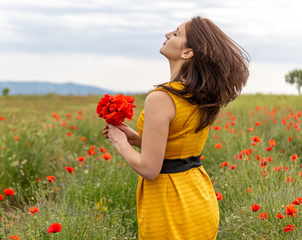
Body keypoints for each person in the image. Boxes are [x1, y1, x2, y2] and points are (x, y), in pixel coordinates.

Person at [102, 16, 249, 240]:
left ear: (187, 52)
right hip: (198, 196)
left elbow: (150, 169)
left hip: (169, 202)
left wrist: (119, 143)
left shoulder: (162, 98)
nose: (167, 34)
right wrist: (136, 138)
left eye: (177, 33)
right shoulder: (200, 95)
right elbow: (179, 146)